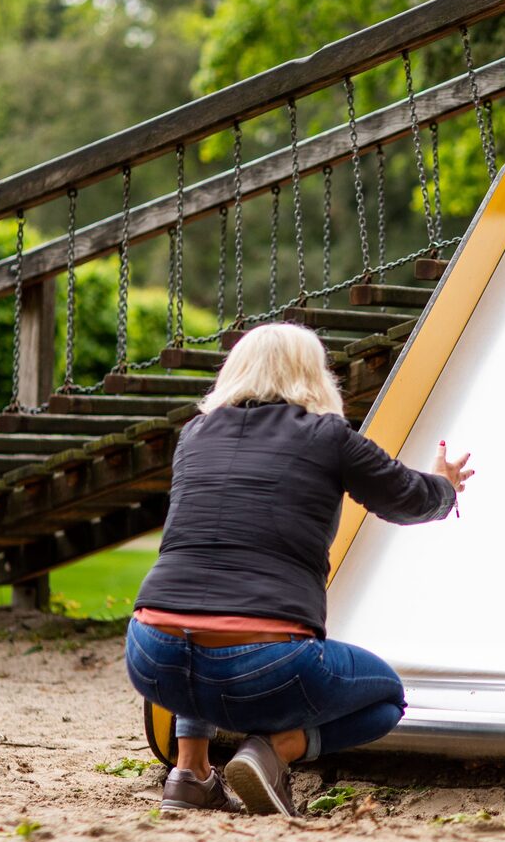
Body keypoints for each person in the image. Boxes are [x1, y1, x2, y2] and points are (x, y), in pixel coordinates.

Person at [124, 323, 474, 817]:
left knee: (198, 609)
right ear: (314, 375)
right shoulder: (327, 436)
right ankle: (271, 753)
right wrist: (446, 488)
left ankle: (190, 773)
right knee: (385, 699)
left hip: (151, 652)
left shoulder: (194, 435)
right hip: (265, 665)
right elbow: (404, 497)